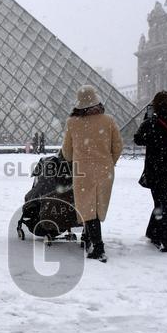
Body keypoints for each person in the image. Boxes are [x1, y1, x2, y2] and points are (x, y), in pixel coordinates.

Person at [61, 85, 123, 262]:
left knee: (88, 206)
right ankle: (89, 238)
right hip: (105, 170)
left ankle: (97, 245)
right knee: (97, 205)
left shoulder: (72, 122)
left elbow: (67, 152)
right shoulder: (108, 120)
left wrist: (77, 157)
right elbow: (118, 146)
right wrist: (109, 161)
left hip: (83, 170)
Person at [134, 90, 167, 255]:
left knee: (162, 207)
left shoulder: (152, 123)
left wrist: (147, 118)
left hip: (155, 172)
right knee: (165, 205)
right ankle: (155, 234)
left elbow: (138, 139)